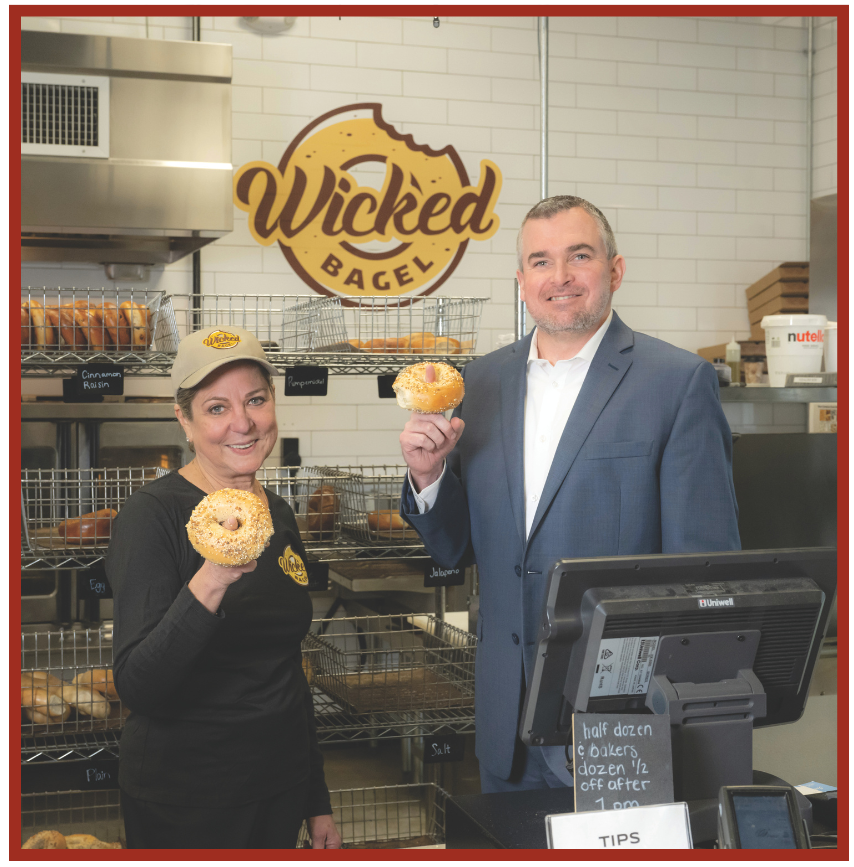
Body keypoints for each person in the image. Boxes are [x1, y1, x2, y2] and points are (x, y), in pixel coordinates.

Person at [398, 195, 741, 794]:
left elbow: (704, 573)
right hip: (507, 715)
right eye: (540, 261)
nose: (559, 278)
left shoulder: (676, 382)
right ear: (521, 279)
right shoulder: (480, 383)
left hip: (620, 718)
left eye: (578, 256)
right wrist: (428, 478)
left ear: (614, 269)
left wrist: (688, 716)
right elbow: (458, 552)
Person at [106, 325, 341, 849]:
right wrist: (214, 576)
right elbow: (139, 686)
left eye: (255, 400)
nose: (243, 423)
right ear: (184, 421)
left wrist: (315, 797)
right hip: (187, 797)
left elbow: (287, 668)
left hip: (279, 786)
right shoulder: (152, 516)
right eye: (216, 408)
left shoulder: (276, 513)